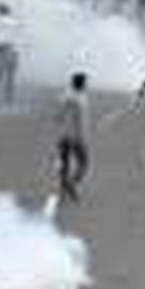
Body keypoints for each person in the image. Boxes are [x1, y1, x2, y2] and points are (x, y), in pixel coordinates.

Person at [57, 72, 91, 202]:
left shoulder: (64, 95)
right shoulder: (81, 99)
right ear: (81, 84)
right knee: (84, 163)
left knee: (65, 163)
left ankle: (63, 188)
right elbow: (81, 120)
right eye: (85, 82)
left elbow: (57, 116)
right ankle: (71, 183)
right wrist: (82, 136)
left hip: (63, 134)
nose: (86, 85)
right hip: (76, 136)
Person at [0, 3, 20, 104]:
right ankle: (9, 95)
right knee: (10, 76)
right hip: (12, 49)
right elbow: (20, 34)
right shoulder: (14, 22)